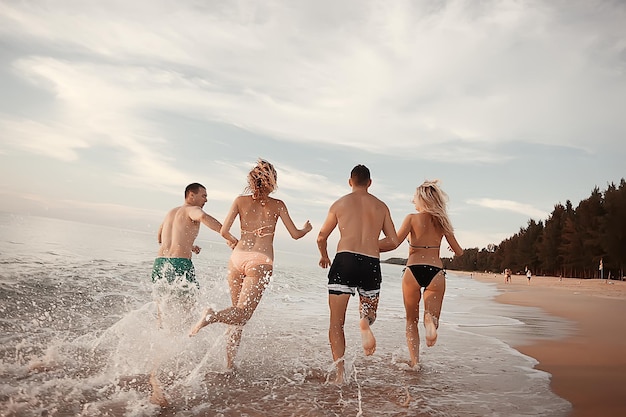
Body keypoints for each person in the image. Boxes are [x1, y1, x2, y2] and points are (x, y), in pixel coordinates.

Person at [190, 159, 312, 370]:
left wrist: (235, 242)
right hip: (260, 261)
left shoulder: (240, 200)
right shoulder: (278, 205)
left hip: (237, 258)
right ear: (272, 181)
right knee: (243, 314)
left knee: (237, 317)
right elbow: (295, 235)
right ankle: (212, 316)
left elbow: (224, 231)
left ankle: (229, 365)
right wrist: (307, 229)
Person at [150, 182, 237, 407]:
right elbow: (206, 219)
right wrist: (228, 236)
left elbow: (160, 237)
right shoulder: (192, 210)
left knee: (163, 314)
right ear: (191, 195)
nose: (206, 200)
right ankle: (181, 353)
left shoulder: (171, 212)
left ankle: (160, 354)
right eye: (203, 195)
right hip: (180, 265)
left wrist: (189, 245)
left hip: (160, 264)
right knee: (189, 311)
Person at [317, 164, 399, 383]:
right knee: (369, 313)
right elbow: (393, 241)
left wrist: (324, 256)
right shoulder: (381, 206)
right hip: (370, 263)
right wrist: (371, 245)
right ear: (370, 183)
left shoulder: (339, 204)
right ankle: (364, 321)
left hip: (344, 260)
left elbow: (321, 236)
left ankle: (340, 375)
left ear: (350, 181)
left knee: (336, 323)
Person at [393, 180, 463, 368]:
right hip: (435, 272)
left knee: (410, 320)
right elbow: (459, 251)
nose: (412, 202)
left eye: (414, 198)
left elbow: (394, 242)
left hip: (413, 270)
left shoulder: (411, 219)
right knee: (431, 316)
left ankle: (415, 363)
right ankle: (430, 323)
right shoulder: (442, 222)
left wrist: (370, 245)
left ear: (422, 199)